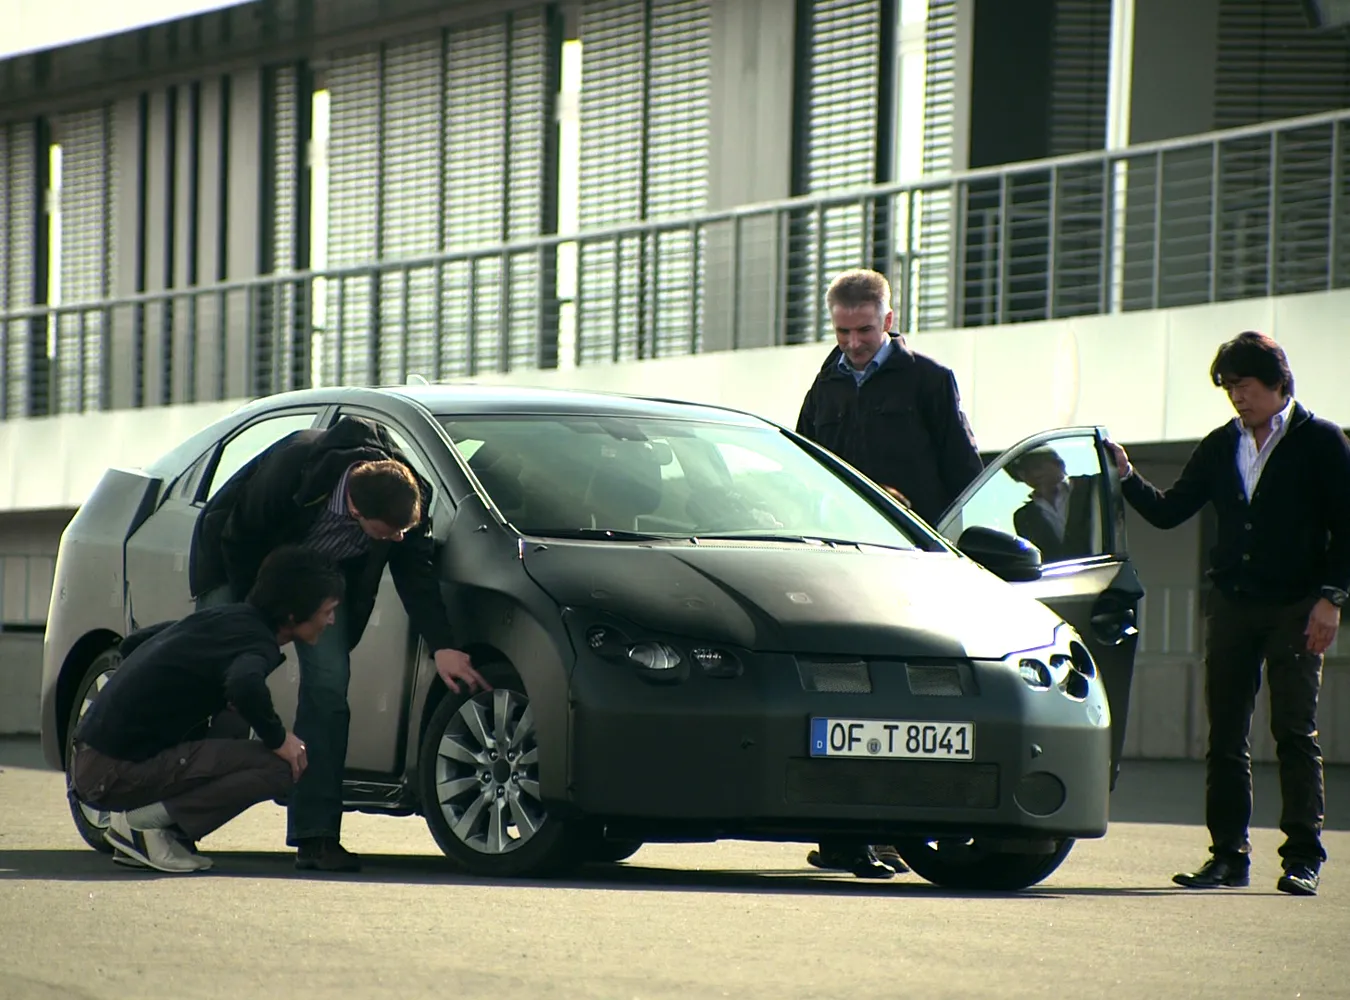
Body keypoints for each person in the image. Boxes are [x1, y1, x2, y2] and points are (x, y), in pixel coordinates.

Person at [189, 415, 491, 873]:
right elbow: (239, 537)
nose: (398, 538)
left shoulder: (407, 497)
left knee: (329, 689)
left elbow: (417, 576)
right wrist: (257, 622)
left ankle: (316, 836)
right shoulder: (295, 469)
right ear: (354, 508)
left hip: (322, 579)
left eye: (403, 531)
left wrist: (443, 646)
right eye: (388, 532)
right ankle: (161, 811)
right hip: (241, 563)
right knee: (214, 678)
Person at [1106, 331, 1350, 897]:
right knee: (1225, 736)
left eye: (1245, 386)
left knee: (1294, 732)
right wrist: (1126, 477)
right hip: (1233, 606)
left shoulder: (1322, 440)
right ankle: (1227, 856)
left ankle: (1303, 858)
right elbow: (1170, 511)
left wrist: (1331, 599)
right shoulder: (1221, 444)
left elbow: (1346, 527)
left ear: (1277, 382)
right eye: (1229, 388)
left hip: (1297, 606)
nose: (1237, 397)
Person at [794, 267, 985, 880]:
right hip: (836, 567)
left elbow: (964, 475)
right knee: (836, 700)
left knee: (904, 704)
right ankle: (844, 840)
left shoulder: (929, 380)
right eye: (842, 332)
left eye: (864, 331)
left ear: (889, 321)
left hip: (909, 571)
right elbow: (799, 471)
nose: (852, 343)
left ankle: (895, 832)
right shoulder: (824, 385)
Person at [69, 546, 344, 873]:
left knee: (234, 721)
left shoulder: (224, 618)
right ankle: (144, 825)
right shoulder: (258, 643)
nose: (331, 620)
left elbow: (134, 644)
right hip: (110, 773)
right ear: (293, 615)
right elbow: (244, 685)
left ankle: (151, 830)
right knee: (282, 767)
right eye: (327, 611)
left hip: (93, 759)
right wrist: (279, 739)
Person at [1007, 447, 1098, 562]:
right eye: (1024, 472)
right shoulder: (1023, 517)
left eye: (1037, 466)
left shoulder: (1093, 485)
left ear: (1058, 464)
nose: (1034, 474)